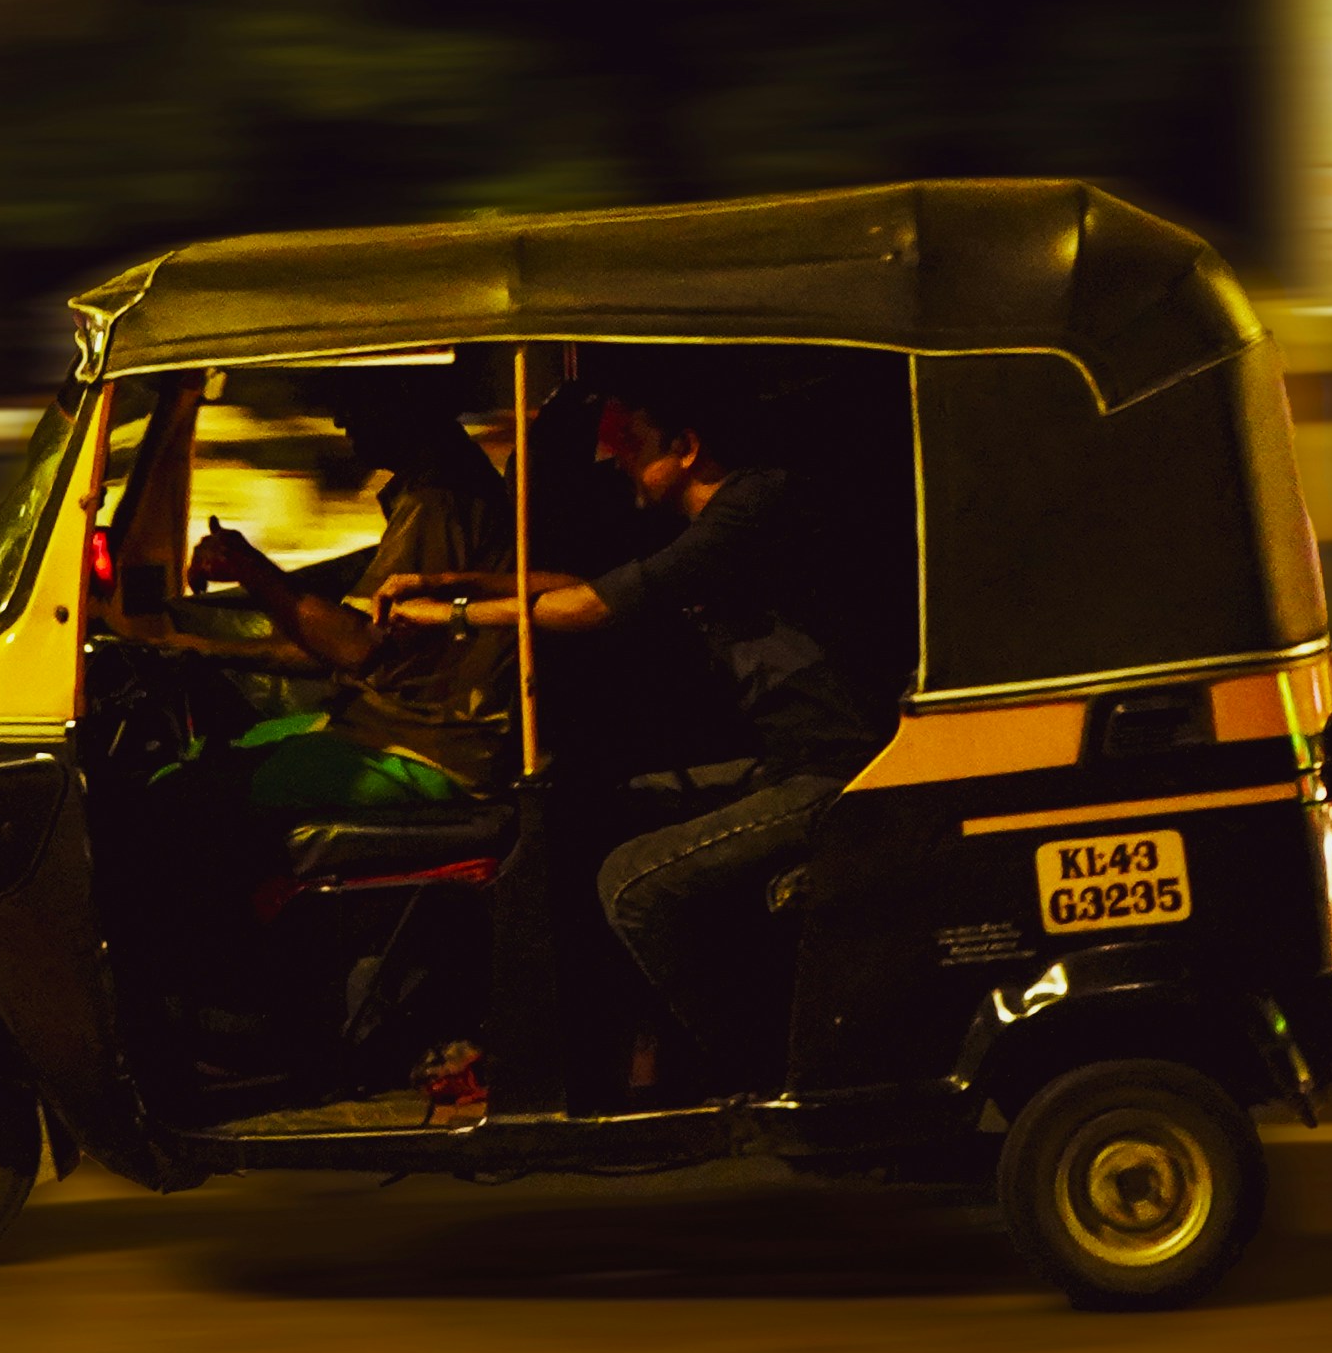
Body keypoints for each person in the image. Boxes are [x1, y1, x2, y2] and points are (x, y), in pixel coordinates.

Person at [381, 361, 880, 1087]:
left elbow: (589, 610)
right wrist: (443, 581)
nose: (617, 455)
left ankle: (768, 1075)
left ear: (686, 445)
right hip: (788, 759)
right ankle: (626, 1058)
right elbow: (586, 587)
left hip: (838, 768)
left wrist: (447, 618)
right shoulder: (718, 523)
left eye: (633, 438)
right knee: (602, 815)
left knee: (632, 881)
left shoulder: (756, 506)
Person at [175, 374, 517, 831]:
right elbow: (342, 642)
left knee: (181, 793)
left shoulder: (440, 499)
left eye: (357, 401)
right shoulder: (430, 488)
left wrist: (250, 568)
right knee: (202, 755)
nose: (340, 419)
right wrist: (203, 652)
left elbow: (356, 647)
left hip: (431, 750)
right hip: (385, 726)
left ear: (407, 400)